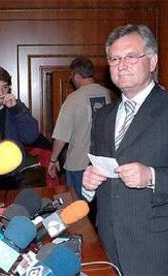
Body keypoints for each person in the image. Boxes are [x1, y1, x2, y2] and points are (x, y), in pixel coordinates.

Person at [82, 23, 168, 275]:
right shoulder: (103, 116)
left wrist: (152, 177)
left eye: (131, 56)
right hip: (109, 246)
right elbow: (102, 173)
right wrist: (89, 185)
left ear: (152, 62)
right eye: (114, 59)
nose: (122, 65)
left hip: (159, 251)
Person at [48, 56, 111, 199]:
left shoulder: (73, 99)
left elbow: (61, 136)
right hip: (102, 165)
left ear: (76, 76)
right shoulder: (108, 94)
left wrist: (53, 160)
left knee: (79, 210)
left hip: (78, 165)